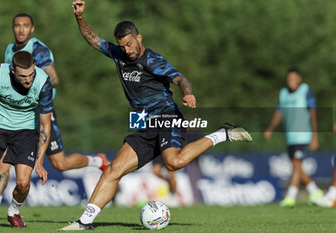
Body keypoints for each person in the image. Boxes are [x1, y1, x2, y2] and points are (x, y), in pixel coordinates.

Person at [60, 1, 253, 230]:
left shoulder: (152, 61)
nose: (127, 50)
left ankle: (222, 134)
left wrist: (188, 94)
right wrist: (80, 17)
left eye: (130, 44)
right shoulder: (119, 55)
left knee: (174, 163)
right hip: (146, 125)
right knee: (113, 170)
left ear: (139, 38)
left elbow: (181, 79)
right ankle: (84, 222)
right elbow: (93, 38)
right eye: (123, 46)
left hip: (168, 115)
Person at [0, 13, 110, 222]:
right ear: (13, 28)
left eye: (26, 26)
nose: (21, 30)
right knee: (3, 163)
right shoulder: (10, 49)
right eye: (17, 26)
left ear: (32, 29)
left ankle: (98, 160)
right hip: (13, 116)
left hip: (39, 111)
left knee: (60, 163)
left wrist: (35, 82)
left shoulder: (38, 49)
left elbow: (54, 78)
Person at [0, 51, 52, 227]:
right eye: (23, 76)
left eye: (31, 74)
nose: (28, 80)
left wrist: (39, 161)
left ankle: (14, 212)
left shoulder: (43, 83)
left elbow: (45, 125)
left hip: (25, 130)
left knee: (23, 184)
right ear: (13, 71)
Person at [264, 67, 323, 207]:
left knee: (296, 165)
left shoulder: (305, 91)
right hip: (290, 136)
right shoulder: (283, 93)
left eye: (294, 78)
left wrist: (315, 135)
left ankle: (290, 197)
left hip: (303, 134)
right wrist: (270, 128)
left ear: (299, 79)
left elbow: (313, 113)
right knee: (297, 165)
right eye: (289, 79)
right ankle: (315, 192)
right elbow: (279, 112)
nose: (291, 81)